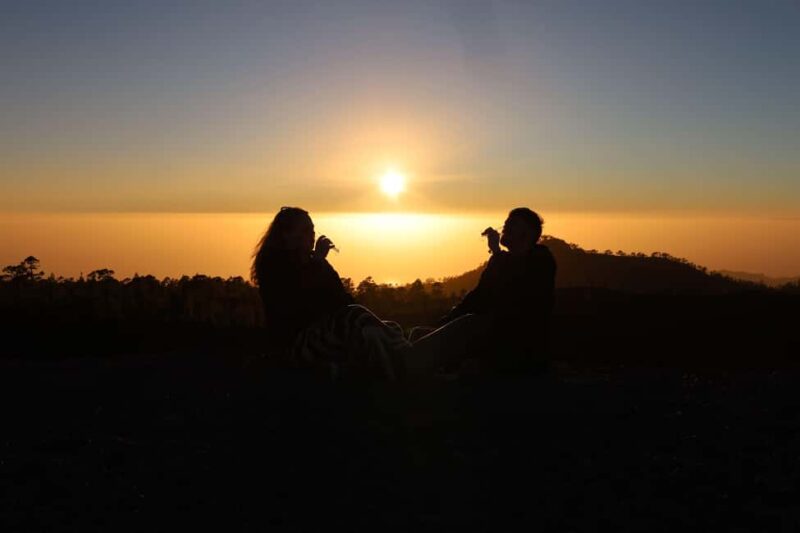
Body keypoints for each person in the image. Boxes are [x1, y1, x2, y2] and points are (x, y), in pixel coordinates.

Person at [251, 207, 409, 379]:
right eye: (305, 230)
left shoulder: (315, 264)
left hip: (325, 334)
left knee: (381, 327)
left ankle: (401, 359)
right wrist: (317, 263)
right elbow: (295, 304)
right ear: (286, 234)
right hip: (294, 344)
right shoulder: (273, 266)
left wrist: (320, 266)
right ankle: (403, 366)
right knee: (363, 323)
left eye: (312, 230)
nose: (312, 235)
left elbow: (344, 301)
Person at [407, 207, 556, 375]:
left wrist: (497, 253)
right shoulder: (502, 260)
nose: (505, 227)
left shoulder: (541, 260)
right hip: (486, 336)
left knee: (470, 323)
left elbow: (513, 294)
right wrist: (444, 323)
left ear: (527, 234)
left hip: (514, 343)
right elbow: (477, 297)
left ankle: (402, 365)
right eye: (506, 222)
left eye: (512, 224)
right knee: (419, 333)